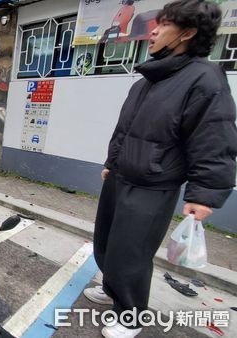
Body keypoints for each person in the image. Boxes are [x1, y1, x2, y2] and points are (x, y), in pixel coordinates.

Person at [83, 2, 237, 338]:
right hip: (121, 177)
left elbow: (213, 139)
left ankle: (131, 315)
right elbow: (126, 129)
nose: (152, 30)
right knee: (106, 244)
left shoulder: (205, 78)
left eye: (163, 25)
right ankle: (113, 292)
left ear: (188, 33)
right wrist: (112, 163)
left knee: (131, 255)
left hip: (153, 185)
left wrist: (204, 193)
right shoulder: (148, 79)